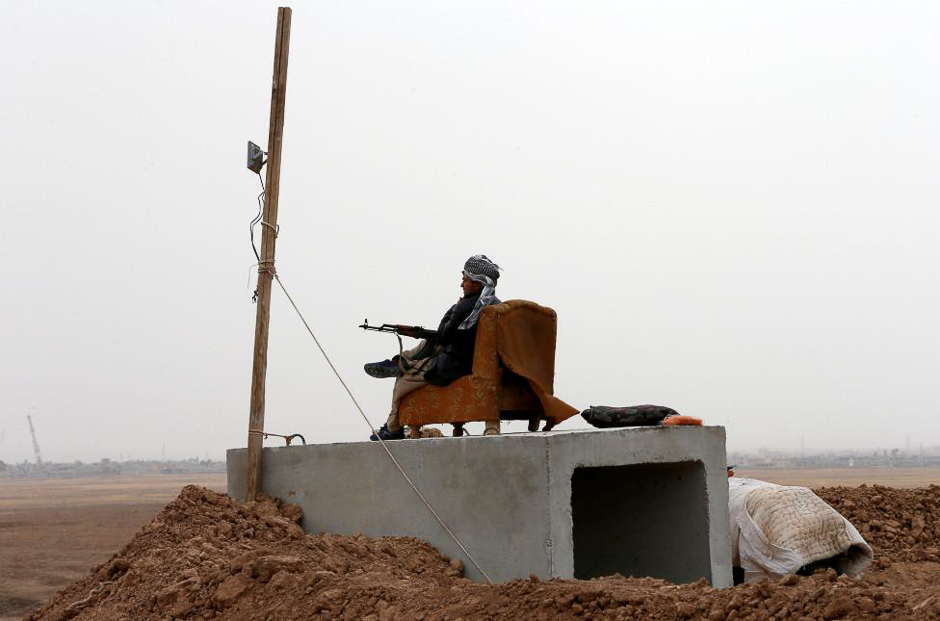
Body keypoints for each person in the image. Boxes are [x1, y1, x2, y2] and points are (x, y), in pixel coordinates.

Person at [365, 255, 502, 440]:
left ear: (477, 285)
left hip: (455, 364)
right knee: (425, 343)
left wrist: (455, 307)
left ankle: (393, 428)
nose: (462, 285)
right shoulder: (494, 304)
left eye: (465, 280)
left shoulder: (464, 308)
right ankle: (400, 360)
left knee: (403, 379)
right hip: (469, 357)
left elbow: (444, 336)